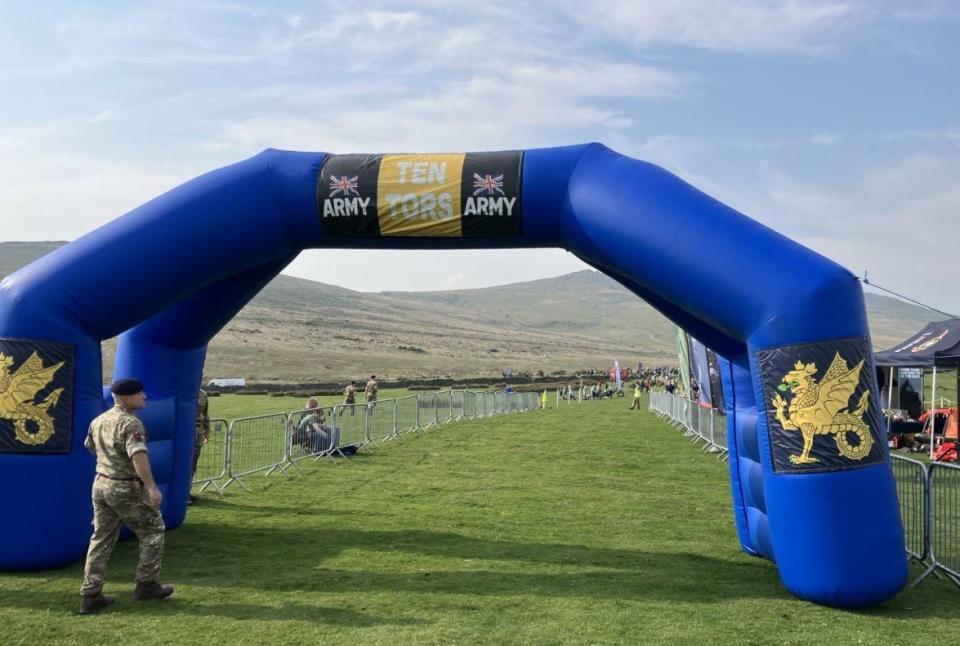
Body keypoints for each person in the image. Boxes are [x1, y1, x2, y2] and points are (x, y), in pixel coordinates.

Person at [79, 378, 174, 615]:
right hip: (125, 486)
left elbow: (90, 446)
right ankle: (147, 585)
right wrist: (151, 487)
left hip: (101, 484)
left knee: (101, 537)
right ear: (128, 398)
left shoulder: (99, 420)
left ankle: (91, 595)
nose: (144, 398)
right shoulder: (131, 424)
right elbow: (138, 456)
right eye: (140, 394)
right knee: (152, 530)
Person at [189, 388, 210, 505]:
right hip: (185, 431)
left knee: (193, 463)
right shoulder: (185, 391)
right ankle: (183, 494)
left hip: (198, 432)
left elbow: (205, 414)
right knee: (185, 464)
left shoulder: (202, 394)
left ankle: (188, 490)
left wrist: (207, 431)